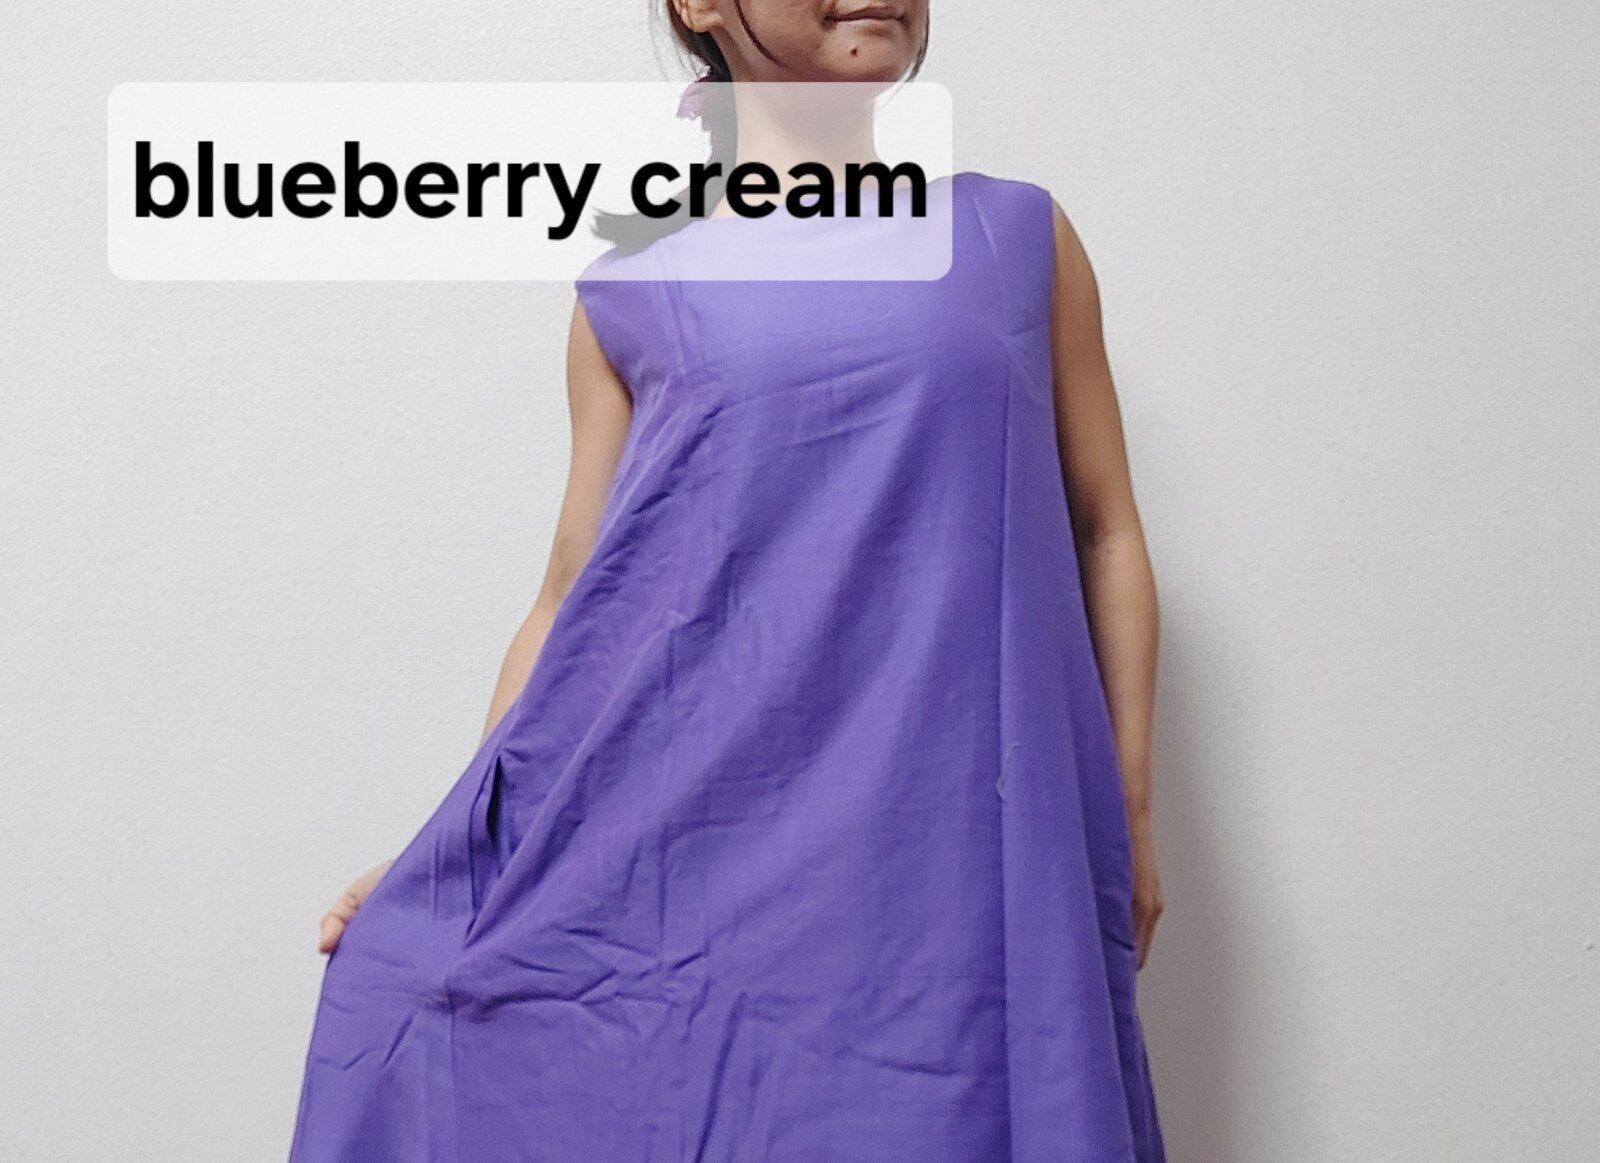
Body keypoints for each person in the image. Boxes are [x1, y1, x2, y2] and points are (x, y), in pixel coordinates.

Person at [293, 2, 1165, 1158]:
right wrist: (456, 854)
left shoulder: (1015, 239)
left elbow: (1105, 529)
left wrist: (1126, 813)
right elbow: (571, 590)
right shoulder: (634, 282)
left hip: (956, 861)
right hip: (703, 861)